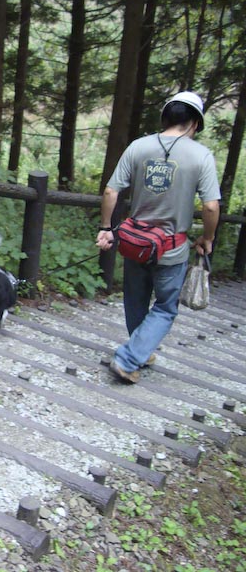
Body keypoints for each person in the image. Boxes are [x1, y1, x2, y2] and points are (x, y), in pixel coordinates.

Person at [95, 91, 221, 383]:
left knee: (135, 300)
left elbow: (111, 191)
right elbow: (211, 206)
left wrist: (106, 228)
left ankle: (140, 350)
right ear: (195, 123)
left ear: (165, 117)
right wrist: (208, 238)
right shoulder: (201, 155)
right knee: (165, 307)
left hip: (135, 243)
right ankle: (129, 358)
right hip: (171, 248)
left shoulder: (138, 147)